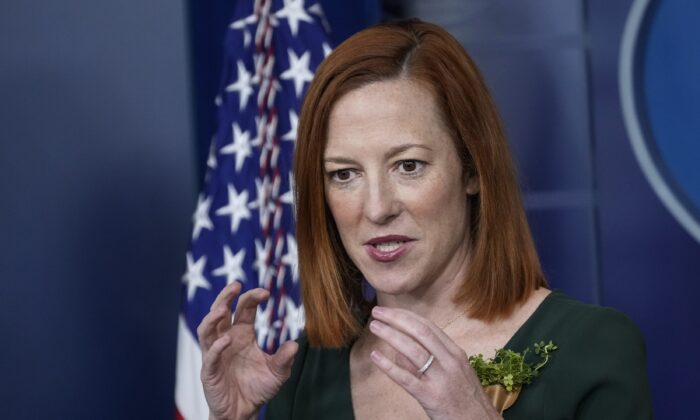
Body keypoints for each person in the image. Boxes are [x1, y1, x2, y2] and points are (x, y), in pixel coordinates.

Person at [196, 20, 653, 419]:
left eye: (408, 165)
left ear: (472, 168)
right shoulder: (306, 370)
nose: (376, 208)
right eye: (345, 174)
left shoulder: (593, 348)